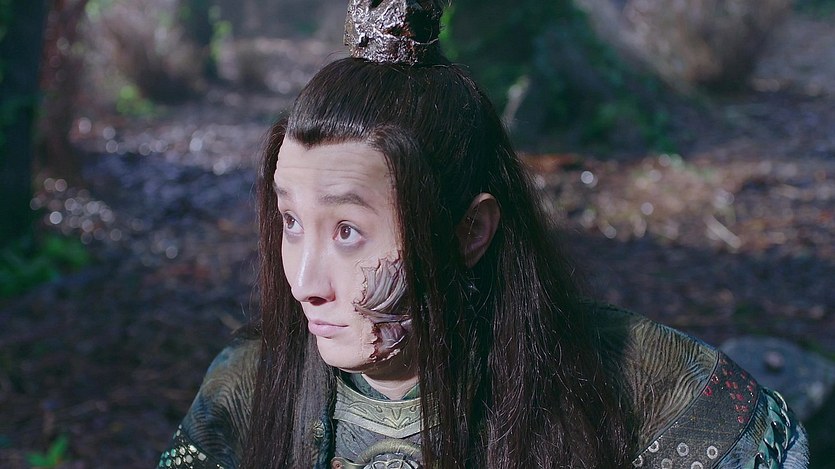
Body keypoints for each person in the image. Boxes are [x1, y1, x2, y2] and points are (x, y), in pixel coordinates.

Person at [158, 1, 809, 467]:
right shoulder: (245, 389)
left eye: (348, 231)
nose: (304, 282)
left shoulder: (644, 383)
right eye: (292, 223)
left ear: (470, 231)